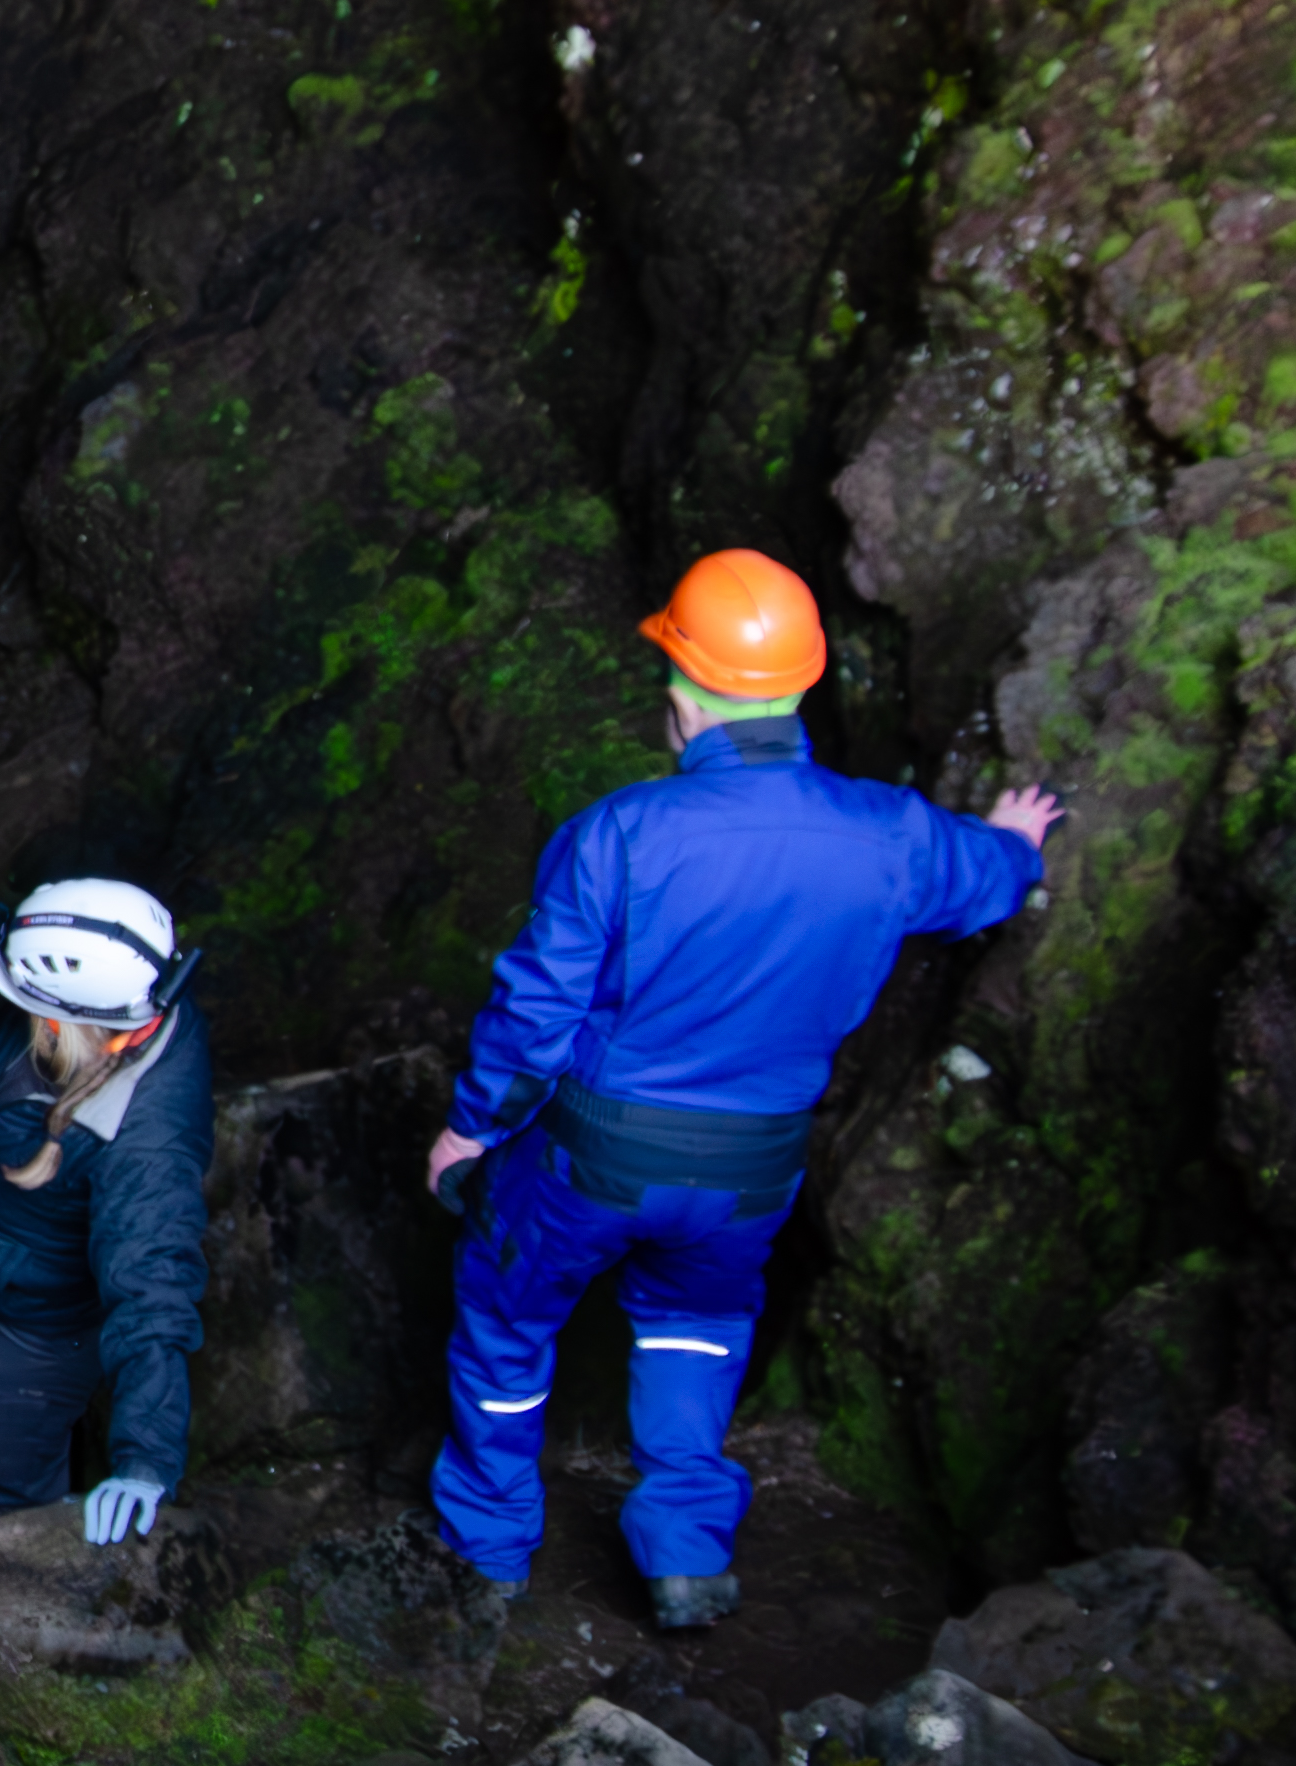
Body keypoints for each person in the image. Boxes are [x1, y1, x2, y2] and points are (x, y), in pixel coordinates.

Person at [423, 548, 1060, 1628]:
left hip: (596, 1153)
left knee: (504, 1318)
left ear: (680, 697)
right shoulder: (888, 833)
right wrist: (1014, 841)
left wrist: (467, 1134)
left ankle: (484, 1553)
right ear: (801, 683)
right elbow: (983, 881)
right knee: (694, 1325)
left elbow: (533, 1018)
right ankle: (680, 1545)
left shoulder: (619, 833)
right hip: (755, 1164)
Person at [0, 877, 212, 1546]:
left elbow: (153, 1284)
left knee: (8, 1499)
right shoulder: (94, 1003)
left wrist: (145, 1462)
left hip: (30, 1334)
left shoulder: (143, 1138)